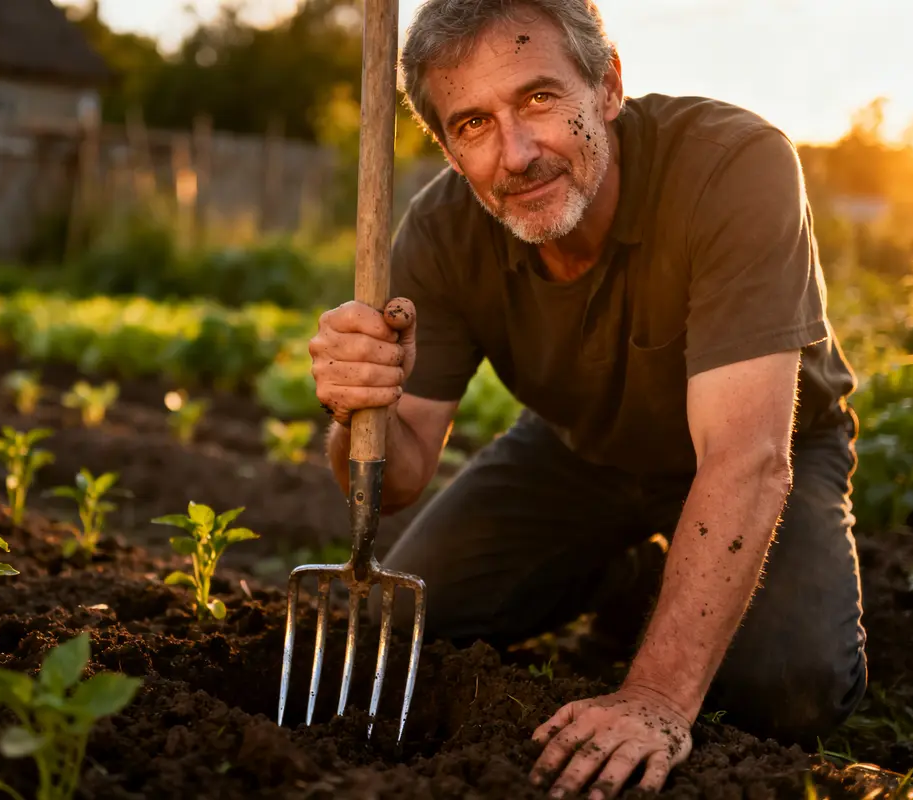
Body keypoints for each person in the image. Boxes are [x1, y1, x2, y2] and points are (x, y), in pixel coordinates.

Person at [308, 0, 867, 796]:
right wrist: (357, 408)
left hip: (762, 448)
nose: (516, 154)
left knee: (786, 688)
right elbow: (395, 480)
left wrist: (656, 697)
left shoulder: (733, 165)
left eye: (539, 98)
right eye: (473, 124)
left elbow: (746, 458)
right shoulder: (440, 234)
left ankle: (684, 599)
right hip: (578, 452)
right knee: (402, 627)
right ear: (449, 151)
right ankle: (628, 575)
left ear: (606, 86)